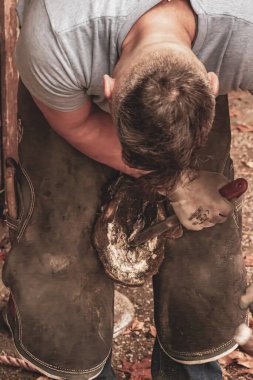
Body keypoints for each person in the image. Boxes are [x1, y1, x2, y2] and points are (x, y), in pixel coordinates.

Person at [2, 0, 252, 378]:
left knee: (206, 247)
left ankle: (193, 363)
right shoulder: (53, 40)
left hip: (174, 78)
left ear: (212, 82)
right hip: (72, 82)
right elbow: (80, 126)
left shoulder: (245, 33)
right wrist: (177, 182)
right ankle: (82, 367)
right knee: (60, 244)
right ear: (109, 90)